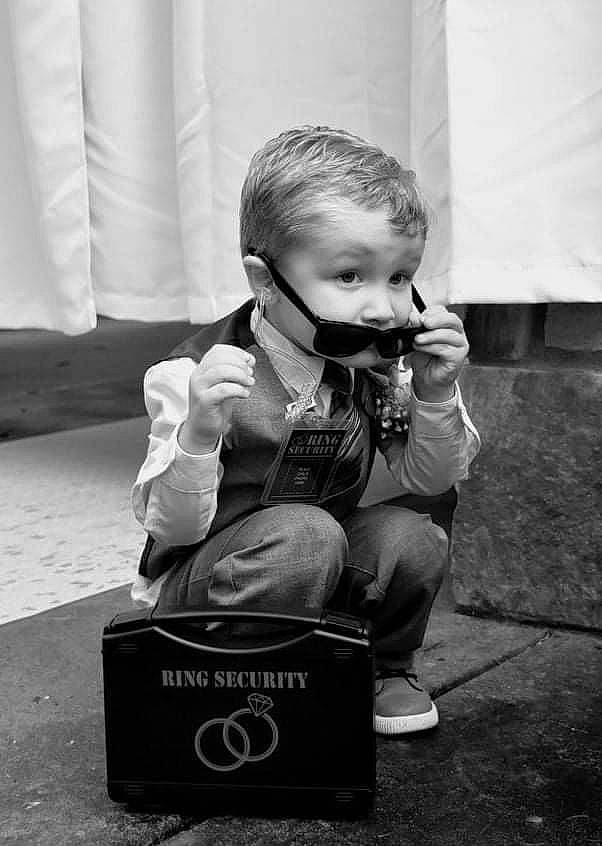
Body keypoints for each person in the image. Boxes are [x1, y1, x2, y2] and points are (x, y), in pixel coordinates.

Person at [131, 125, 480, 736]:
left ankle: (383, 666)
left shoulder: (374, 368)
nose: (382, 308)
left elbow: (432, 477)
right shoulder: (190, 373)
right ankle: (260, 685)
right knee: (306, 533)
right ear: (265, 280)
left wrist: (434, 391)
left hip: (319, 556)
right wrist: (200, 432)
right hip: (209, 596)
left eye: (399, 278)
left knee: (412, 533)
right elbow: (170, 526)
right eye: (349, 276)